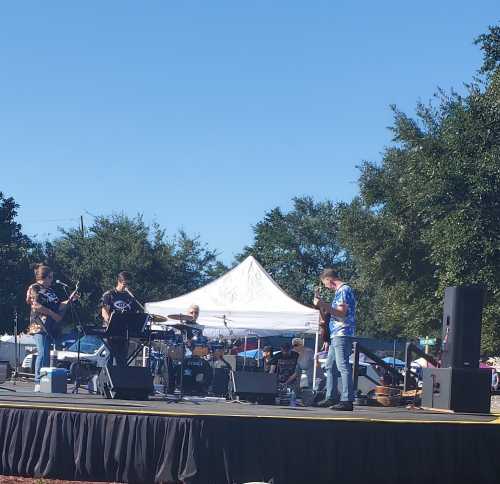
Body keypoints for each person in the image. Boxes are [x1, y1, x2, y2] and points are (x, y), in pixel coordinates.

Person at [26, 263, 79, 391]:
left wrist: (70, 299)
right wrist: (53, 314)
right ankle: (38, 380)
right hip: (38, 325)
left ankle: (45, 380)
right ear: (44, 277)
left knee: (47, 352)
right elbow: (36, 305)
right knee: (43, 352)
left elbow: (59, 306)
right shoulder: (35, 287)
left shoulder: (51, 291)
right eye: (50, 277)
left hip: (50, 327)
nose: (52, 280)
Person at [313, 267, 356, 411]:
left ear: (328, 279)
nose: (326, 286)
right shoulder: (340, 291)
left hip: (342, 333)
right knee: (330, 366)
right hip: (335, 334)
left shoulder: (344, 290)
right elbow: (335, 312)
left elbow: (341, 313)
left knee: (343, 366)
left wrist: (322, 304)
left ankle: (347, 399)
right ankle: (331, 396)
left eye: (325, 283)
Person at [100, 271, 143, 367]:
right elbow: (104, 312)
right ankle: (106, 379)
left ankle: (120, 379)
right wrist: (110, 322)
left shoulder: (130, 297)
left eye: (129, 284)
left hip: (124, 333)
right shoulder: (109, 294)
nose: (127, 287)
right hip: (110, 332)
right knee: (110, 357)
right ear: (119, 281)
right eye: (125, 284)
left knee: (122, 360)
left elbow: (134, 314)